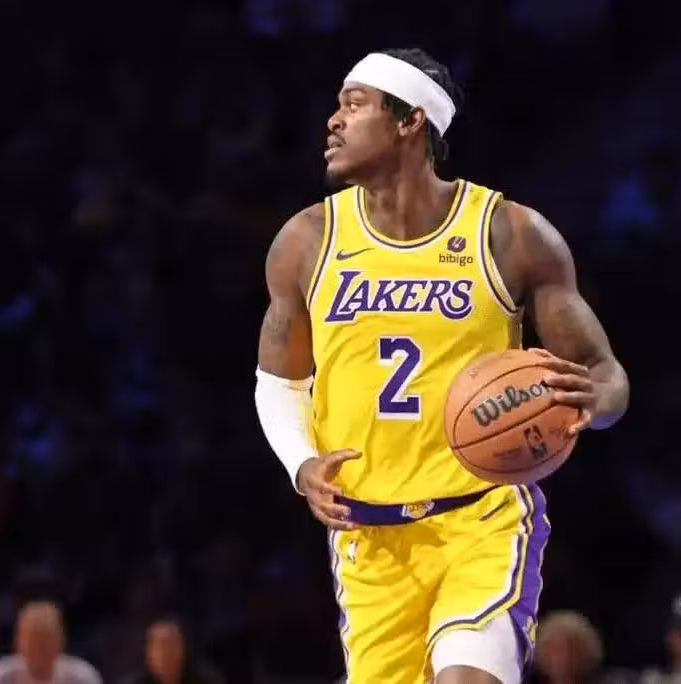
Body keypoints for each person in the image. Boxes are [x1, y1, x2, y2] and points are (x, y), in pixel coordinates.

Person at [254, 48, 629, 684]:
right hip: (369, 538)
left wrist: (594, 403)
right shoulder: (306, 241)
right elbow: (278, 381)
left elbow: (605, 372)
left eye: (354, 104)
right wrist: (301, 464)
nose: (333, 121)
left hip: (481, 518)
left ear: (411, 121)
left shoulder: (509, 234)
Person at [0, 601, 101, 684]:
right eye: (33, 641)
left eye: (46, 641)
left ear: (61, 641)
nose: (39, 649)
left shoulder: (82, 677)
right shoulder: (0, 676)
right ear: (19, 642)